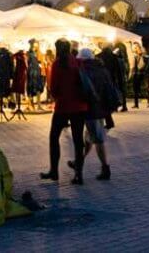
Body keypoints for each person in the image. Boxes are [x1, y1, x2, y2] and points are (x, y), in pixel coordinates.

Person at [41, 39, 88, 184]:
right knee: (78, 140)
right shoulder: (77, 61)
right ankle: (79, 174)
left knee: (54, 137)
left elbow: (53, 87)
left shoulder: (57, 64)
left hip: (63, 106)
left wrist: (57, 97)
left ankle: (54, 171)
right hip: (79, 106)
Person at [70, 49, 116, 181]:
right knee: (89, 138)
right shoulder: (102, 69)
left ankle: (105, 168)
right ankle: (78, 161)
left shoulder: (84, 71)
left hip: (90, 109)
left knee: (98, 139)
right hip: (100, 109)